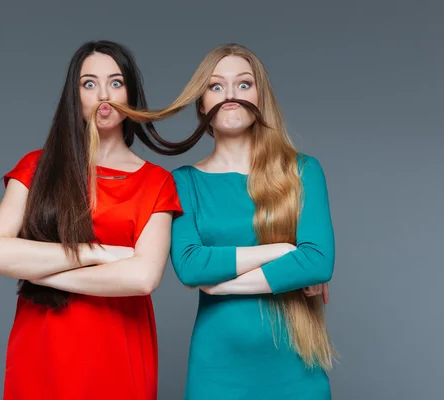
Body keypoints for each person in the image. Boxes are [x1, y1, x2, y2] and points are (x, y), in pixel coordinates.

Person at [99, 43, 335, 399]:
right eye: (215, 86)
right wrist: (281, 252)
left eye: (243, 84)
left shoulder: (303, 172)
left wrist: (221, 284)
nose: (230, 95)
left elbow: (318, 260)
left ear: (261, 96)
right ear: (201, 104)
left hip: (295, 368)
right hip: (217, 373)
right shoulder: (181, 182)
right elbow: (192, 267)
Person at [0, 40, 185, 400]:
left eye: (116, 82)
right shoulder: (37, 166)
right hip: (42, 348)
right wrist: (98, 252)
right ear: (74, 97)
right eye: (89, 84)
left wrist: (37, 268)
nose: (103, 94)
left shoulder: (157, 182)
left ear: (131, 93)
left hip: (118, 350)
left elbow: (142, 277)